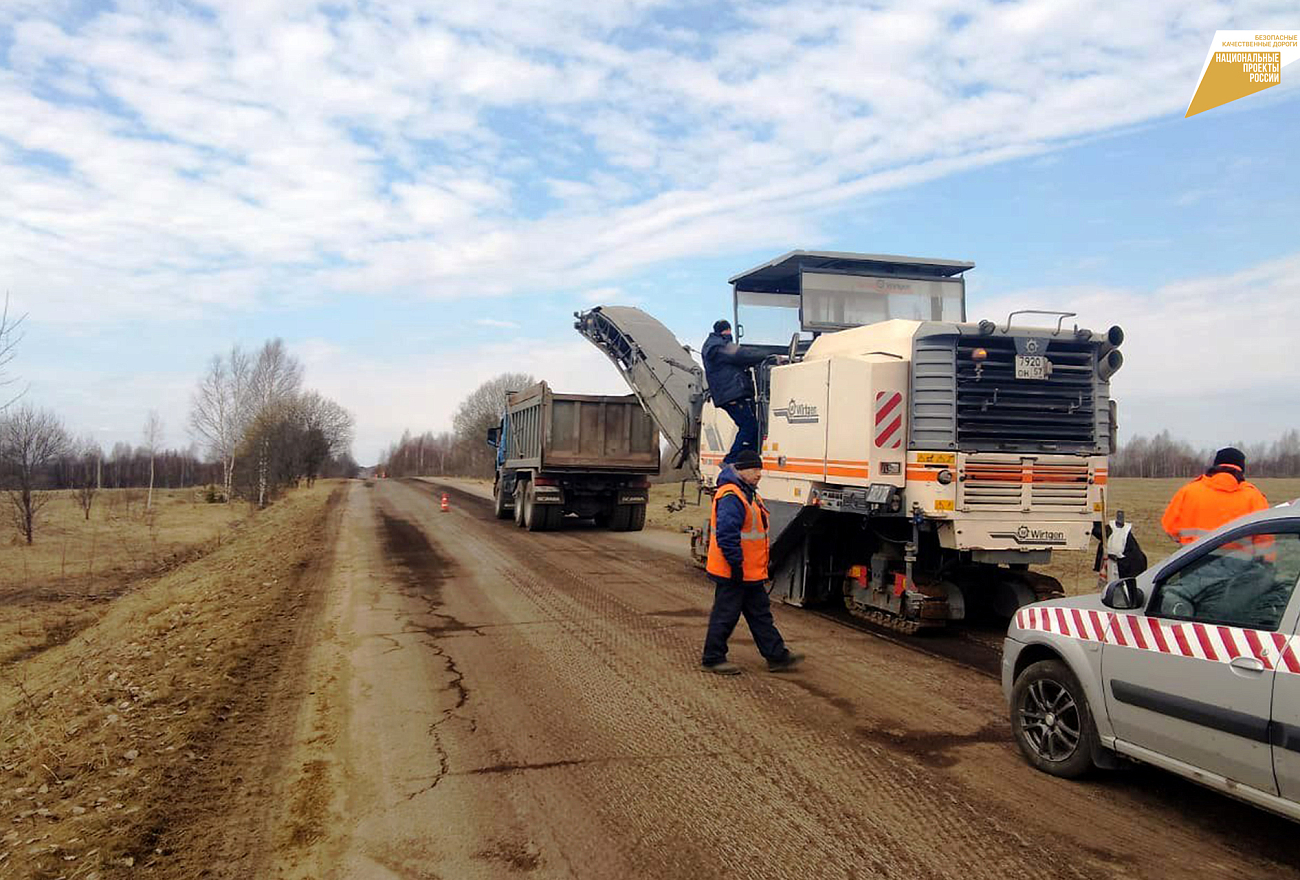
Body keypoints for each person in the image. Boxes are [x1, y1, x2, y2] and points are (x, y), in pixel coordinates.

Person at [701, 449, 804, 675]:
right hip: (734, 571)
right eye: (754, 469)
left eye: (760, 469)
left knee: (760, 616)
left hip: (750, 573)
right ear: (740, 470)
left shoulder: (749, 494)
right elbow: (728, 537)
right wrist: (736, 566)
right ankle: (713, 658)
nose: (759, 474)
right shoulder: (732, 496)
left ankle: (777, 657)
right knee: (725, 616)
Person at [1161, 447, 1269, 546]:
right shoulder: (1254, 497)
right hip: (1239, 563)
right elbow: (1264, 539)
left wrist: (1186, 542)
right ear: (1241, 470)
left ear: (1215, 466)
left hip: (1194, 560)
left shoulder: (1189, 491)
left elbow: (1170, 526)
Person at [702, 319, 769, 464]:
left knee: (751, 428)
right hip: (732, 393)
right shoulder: (719, 346)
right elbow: (741, 355)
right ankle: (731, 461)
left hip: (729, 394)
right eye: (729, 330)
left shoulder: (715, 346)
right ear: (726, 330)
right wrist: (767, 355)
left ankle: (747, 460)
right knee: (749, 426)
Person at [1092, 510, 1147, 582]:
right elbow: (1099, 532)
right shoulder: (1110, 530)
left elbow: (1135, 560)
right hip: (1112, 564)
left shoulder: (1126, 535)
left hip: (1123, 567)